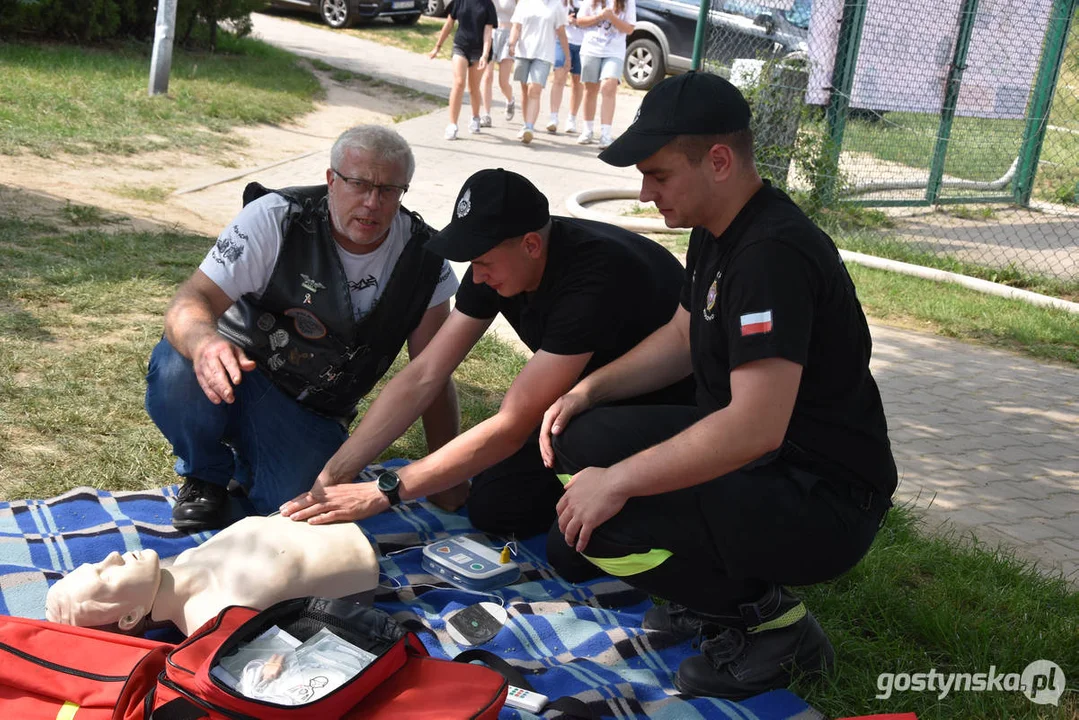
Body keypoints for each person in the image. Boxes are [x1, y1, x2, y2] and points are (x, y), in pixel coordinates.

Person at [539, 72, 898, 699]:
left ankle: (772, 625)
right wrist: (589, 390)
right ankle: (708, 590)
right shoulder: (717, 226)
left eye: (659, 174)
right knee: (582, 442)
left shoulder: (772, 255)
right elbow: (683, 335)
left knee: (606, 523)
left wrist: (618, 481)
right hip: (764, 461)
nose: (646, 192)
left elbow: (754, 428)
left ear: (720, 161)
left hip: (822, 497)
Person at [281, 169, 694, 538]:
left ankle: (665, 502)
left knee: (571, 542)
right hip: (581, 396)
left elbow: (513, 424)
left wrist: (386, 489)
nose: (475, 276)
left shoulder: (592, 280)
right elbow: (425, 373)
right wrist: (336, 474)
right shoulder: (501, 259)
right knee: (494, 508)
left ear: (532, 245)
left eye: (482, 262)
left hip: (663, 407)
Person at [145, 125, 460, 534]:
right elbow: (191, 300)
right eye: (359, 184)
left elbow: (431, 374)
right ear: (331, 180)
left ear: (404, 192)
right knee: (177, 364)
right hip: (239, 373)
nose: (372, 202)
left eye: (388, 190)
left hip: (312, 413)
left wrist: (445, 477)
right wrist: (205, 343)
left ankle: (248, 479)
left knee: (298, 514)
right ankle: (205, 473)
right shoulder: (276, 217)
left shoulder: (426, 260)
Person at [45, 515, 379, 636]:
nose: (112, 556)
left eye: (97, 563)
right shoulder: (212, 619)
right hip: (365, 563)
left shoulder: (189, 560)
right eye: (106, 575)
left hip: (340, 514)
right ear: (130, 616)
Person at [430, 0, 496, 140]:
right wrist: (437, 46)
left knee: (473, 88)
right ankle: (452, 125)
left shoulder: (488, 5)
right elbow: (449, 24)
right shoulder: (459, 1)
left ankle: (475, 117)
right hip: (460, 46)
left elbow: (487, 32)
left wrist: (484, 55)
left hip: (479, 51)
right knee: (459, 83)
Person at [507, 0, 571, 143]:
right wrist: (512, 43)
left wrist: (567, 57)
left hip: (544, 54)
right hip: (523, 52)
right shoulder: (524, 3)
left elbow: (561, 33)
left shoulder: (556, 6)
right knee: (525, 90)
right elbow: (516, 26)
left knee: (534, 89)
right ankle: (526, 124)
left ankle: (529, 127)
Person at [574, 0, 635, 148]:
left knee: (609, 87)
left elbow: (629, 29)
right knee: (590, 89)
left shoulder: (628, 2)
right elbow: (580, 21)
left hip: (614, 51)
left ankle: (606, 134)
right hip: (591, 49)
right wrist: (599, 17)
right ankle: (587, 130)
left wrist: (612, 17)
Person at [545, 0, 584, 134]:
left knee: (577, 82)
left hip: (584, 43)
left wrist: (581, 21)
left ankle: (571, 118)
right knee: (559, 76)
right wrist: (566, 20)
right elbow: (552, 14)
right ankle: (553, 117)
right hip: (562, 40)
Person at [480, 0, 517, 127]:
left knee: (503, 82)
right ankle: (486, 114)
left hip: (509, 36)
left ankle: (510, 100)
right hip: (491, 33)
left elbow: (521, 18)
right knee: (487, 76)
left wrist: (515, 40)